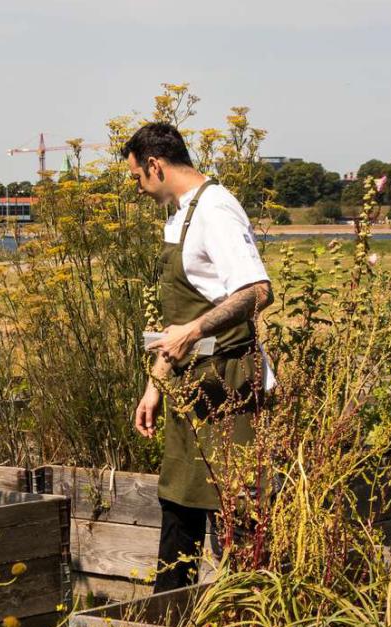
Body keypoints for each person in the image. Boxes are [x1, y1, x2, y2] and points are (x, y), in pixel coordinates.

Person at [126, 122, 277, 592]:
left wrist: (194, 329)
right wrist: (154, 386)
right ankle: (168, 619)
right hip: (189, 386)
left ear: (155, 165)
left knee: (241, 511)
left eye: (136, 176)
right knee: (179, 502)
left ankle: (251, 618)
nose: (137, 187)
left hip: (229, 385)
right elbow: (177, 325)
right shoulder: (178, 215)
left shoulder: (216, 208)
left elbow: (258, 291)